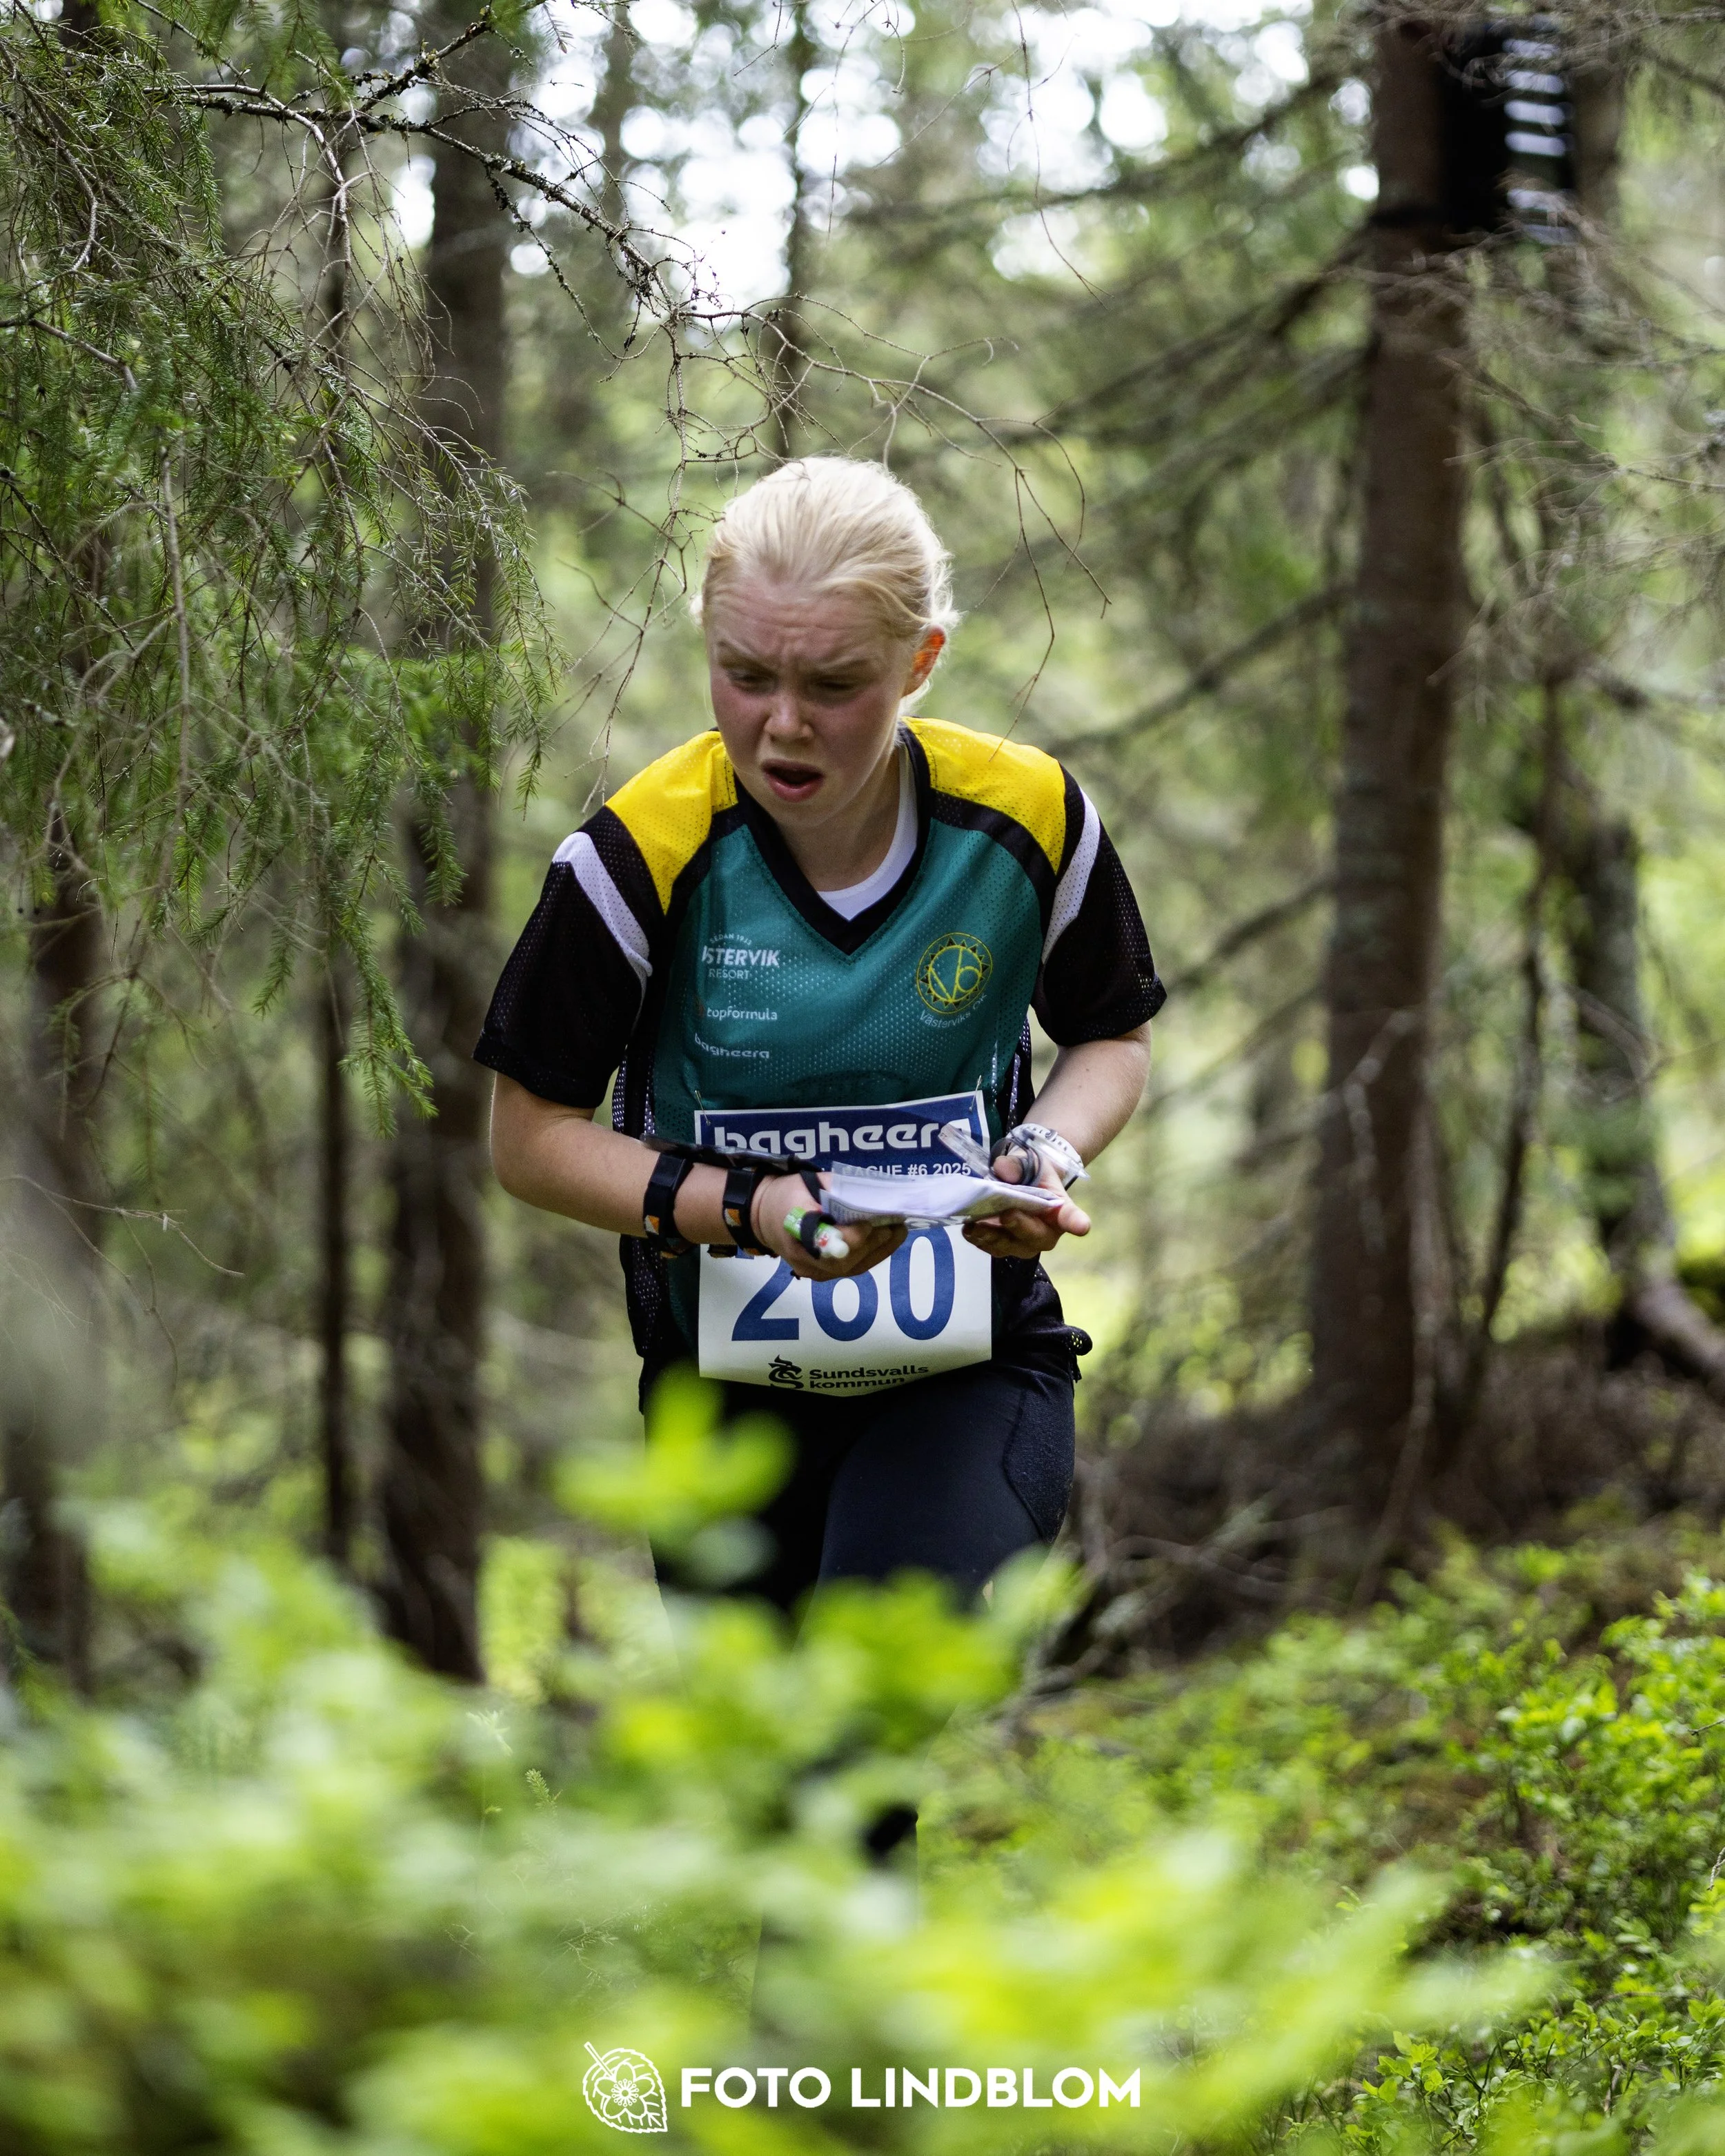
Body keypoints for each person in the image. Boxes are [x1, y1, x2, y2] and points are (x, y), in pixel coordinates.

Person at [476, 456, 1165, 1620]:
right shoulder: (640, 853)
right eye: (743, 675)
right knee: (774, 1792)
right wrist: (752, 1210)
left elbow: (1112, 1037)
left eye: (834, 683)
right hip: (724, 1398)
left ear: (920, 662)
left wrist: (1043, 1157)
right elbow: (529, 1138)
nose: (781, 724)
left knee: (860, 1709)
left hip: (970, 1369)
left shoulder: (1029, 818)